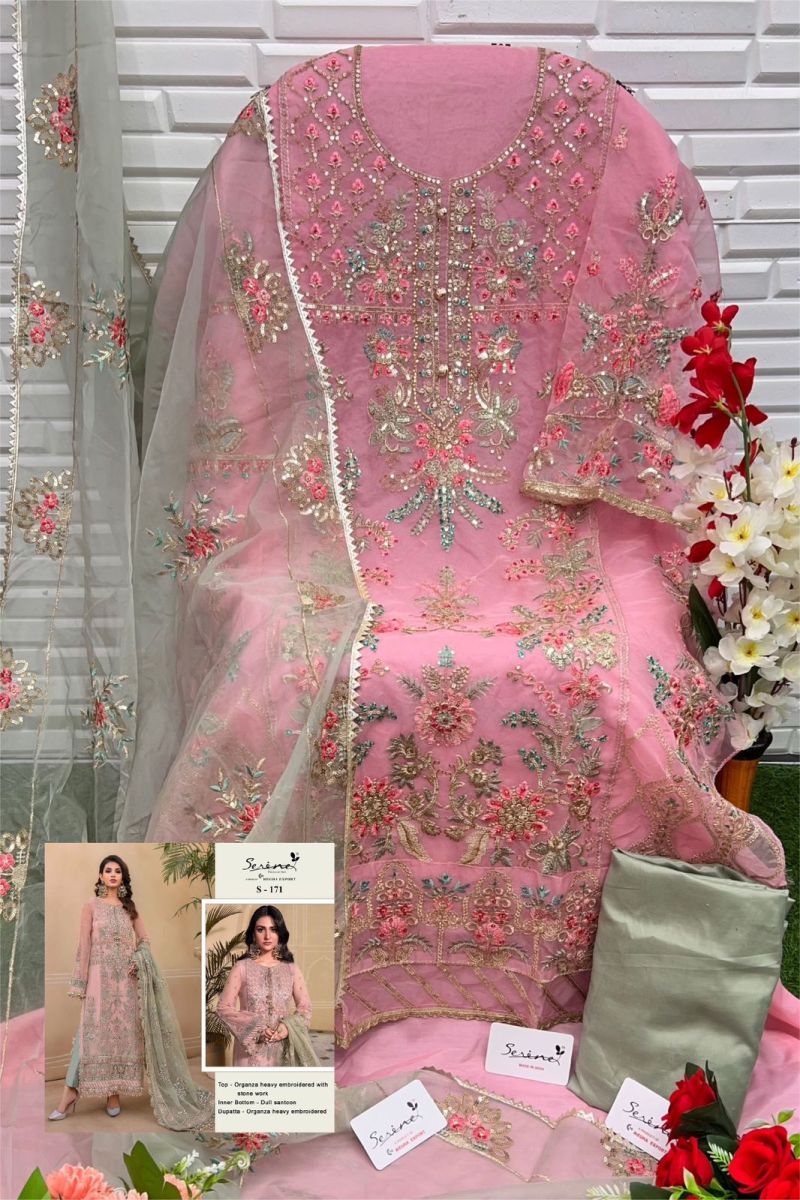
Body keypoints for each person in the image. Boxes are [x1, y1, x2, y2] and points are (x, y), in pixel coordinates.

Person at [50, 855, 147, 1119]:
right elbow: (84, 945)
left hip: (126, 983)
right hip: (97, 980)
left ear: (123, 877)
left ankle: (113, 1094)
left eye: (118, 871)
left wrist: (138, 961)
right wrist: (80, 982)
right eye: (108, 870)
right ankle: (70, 1092)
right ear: (101, 876)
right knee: (89, 1035)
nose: (113, 874)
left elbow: (145, 941)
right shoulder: (91, 906)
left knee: (121, 1037)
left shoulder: (130, 908)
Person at [216, 906, 318, 1067]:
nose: (267, 936)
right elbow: (223, 1008)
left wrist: (287, 1028)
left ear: (280, 933)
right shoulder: (241, 968)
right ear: (253, 933)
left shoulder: (291, 969)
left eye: (273, 929)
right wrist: (257, 1030)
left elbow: (305, 1008)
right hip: (250, 1054)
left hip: (283, 1050)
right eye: (261, 929)